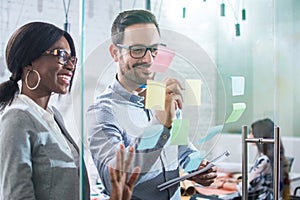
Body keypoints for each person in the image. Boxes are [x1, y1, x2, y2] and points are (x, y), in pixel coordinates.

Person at [0, 21, 139, 200]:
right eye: (61, 55)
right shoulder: (17, 117)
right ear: (29, 61)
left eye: (72, 59)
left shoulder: (53, 116)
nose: (71, 66)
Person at [87, 9, 217, 200]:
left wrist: (197, 166)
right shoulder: (102, 112)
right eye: (137, 50)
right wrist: (159, 124)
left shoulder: (163, 98)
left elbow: (183, 149)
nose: (149, 60)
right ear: (115, 53)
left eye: (154, 49)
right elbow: (114, 179)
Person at [213, 118, 290, 200]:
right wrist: (232, 181)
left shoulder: (265, 160)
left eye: (251, 132)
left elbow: (245, 187)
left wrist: (219, 184)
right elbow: (257, 181)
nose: (249, 136)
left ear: (259, 135)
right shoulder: (278, 156)